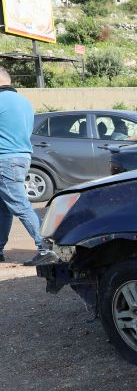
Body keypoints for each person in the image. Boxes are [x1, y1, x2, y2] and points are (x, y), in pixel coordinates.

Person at [0, 67, 56, 266]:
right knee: (5, 207)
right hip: (22, 157)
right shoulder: (24, 101)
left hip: (5, 160)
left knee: (20, 205)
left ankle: (45, 248)